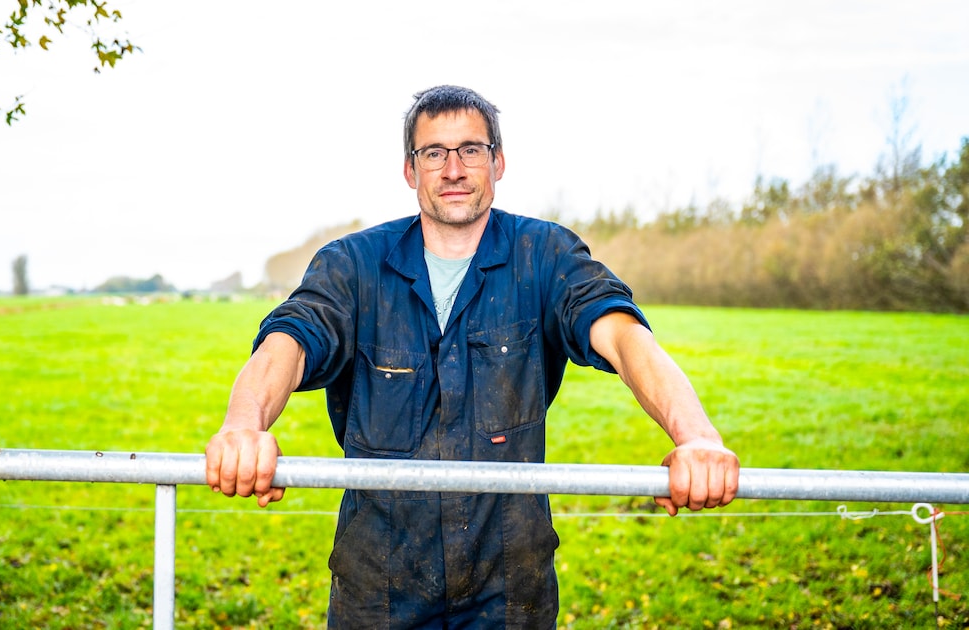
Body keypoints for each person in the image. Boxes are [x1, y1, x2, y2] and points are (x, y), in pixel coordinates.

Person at [205, 85, 739, 628]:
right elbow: (291, 342)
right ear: (410, 171)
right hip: (378, 590)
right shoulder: (354, 265)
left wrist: (695, 437)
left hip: (509, 590)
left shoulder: (545, 255)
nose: (453, 169)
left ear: (498, 162)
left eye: (471, 150)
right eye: (433, 152)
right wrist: (243, 426)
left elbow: (623, 338)